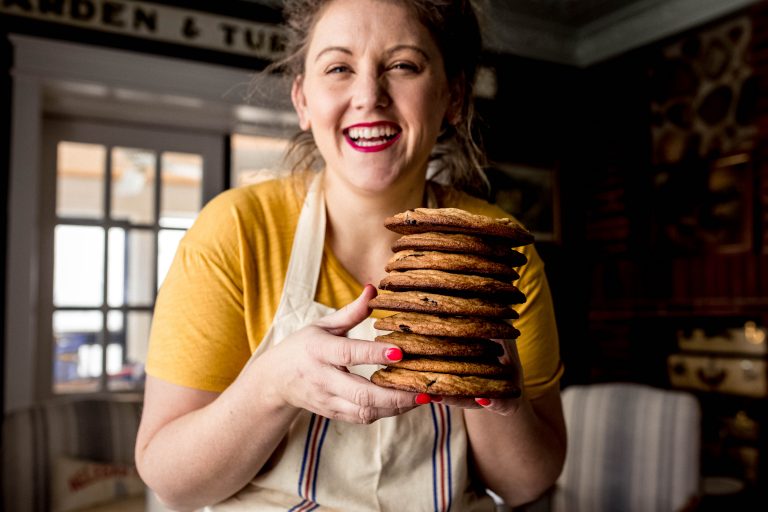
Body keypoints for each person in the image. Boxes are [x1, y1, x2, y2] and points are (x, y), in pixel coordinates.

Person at [135, 0, 566, 510]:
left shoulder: (496, 254)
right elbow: (174, 482)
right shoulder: (236, 231)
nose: (369, 96)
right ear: (302, 100)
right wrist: (272, 386)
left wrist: (490, 386)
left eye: (403, 65)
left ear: (452, 94)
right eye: (339, 68)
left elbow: (525, 485)